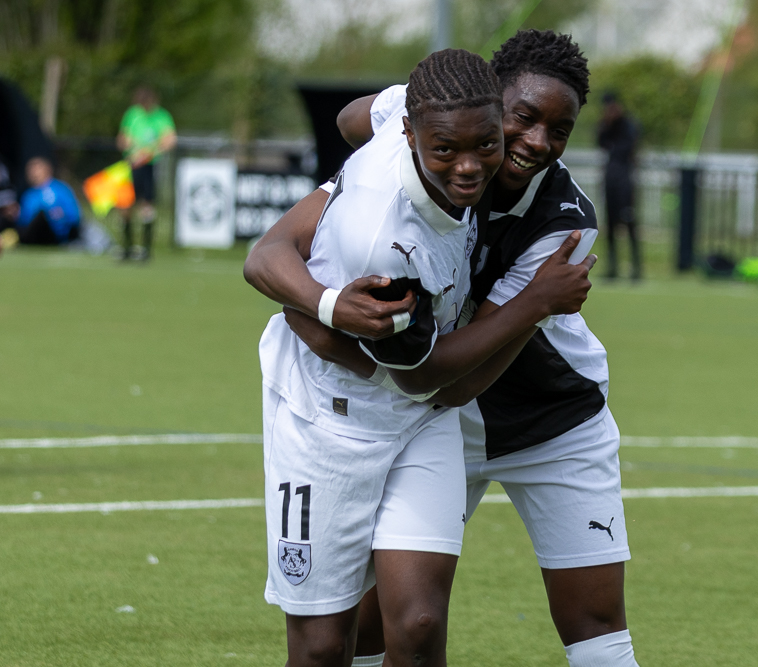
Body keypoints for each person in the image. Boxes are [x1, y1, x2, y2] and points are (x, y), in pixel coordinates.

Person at [254, 30, 641, 667]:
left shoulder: (564, 223)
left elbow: (448, 376)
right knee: (382, 626)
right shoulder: (425, 136)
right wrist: (372, 168)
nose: (537, 141)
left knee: (594, 625)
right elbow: (352, 123)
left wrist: (538, 300)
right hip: (434, 416)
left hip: (547, 416)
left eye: (559, 130)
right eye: (522, 118)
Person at [116, 85, 176, 260]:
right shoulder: (132, 114)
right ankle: (127, 247)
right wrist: (130, 147)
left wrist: (151, 151)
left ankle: (145, 249)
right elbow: (122, 139)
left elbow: (170, 139)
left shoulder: (161, 116)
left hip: (149, 166)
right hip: (131, 166)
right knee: (125, 205)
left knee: (147, 206)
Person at [597, 91, 641, 281]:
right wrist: (607, 124)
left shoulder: (628, 124)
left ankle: (636, 268)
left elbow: (630, 147)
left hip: (625, 179)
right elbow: (600, 142)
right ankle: (612, 267)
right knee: (610, 223)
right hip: (610, 178)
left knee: (629, 221)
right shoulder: (606, 124)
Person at [14, 157, 81, 245]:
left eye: (37, 169)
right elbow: (23, 221)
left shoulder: (61, 189)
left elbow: (75, 216)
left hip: (58, 234)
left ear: (47, 170)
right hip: (34, 236)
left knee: (43, 215)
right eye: (31, 170)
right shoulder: (28, 194)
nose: (34, 173)